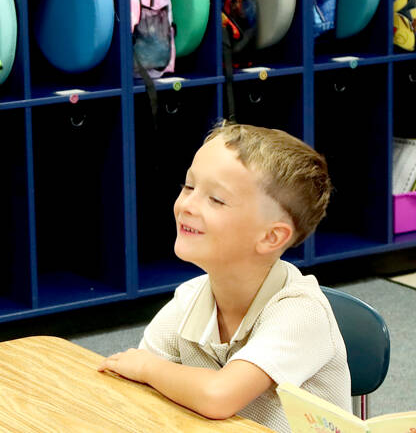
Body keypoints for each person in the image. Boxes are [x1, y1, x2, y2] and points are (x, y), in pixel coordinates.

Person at [98, 122, 351, 432]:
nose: (187, 205)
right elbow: (133, 389)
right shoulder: (190, 298)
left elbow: (218, 395)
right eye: (189, 187)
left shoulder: (301, 312)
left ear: (271, 238)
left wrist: (149, 368)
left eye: (216, 200)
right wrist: (145, 371)